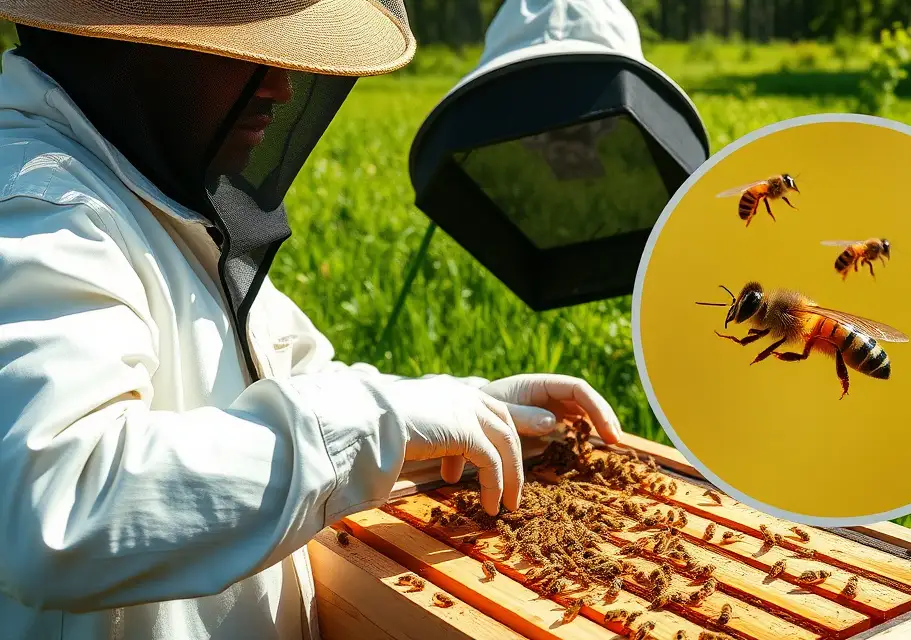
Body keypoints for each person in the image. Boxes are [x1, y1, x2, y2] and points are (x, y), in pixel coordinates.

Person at [0, 1, 624, 638]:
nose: (282, 85)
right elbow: (55, 507)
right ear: (142, 51)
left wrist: (467, 411)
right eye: (250, 50)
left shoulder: (140, 189)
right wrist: (377, 425)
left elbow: (300, 393)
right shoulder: (38, 204)